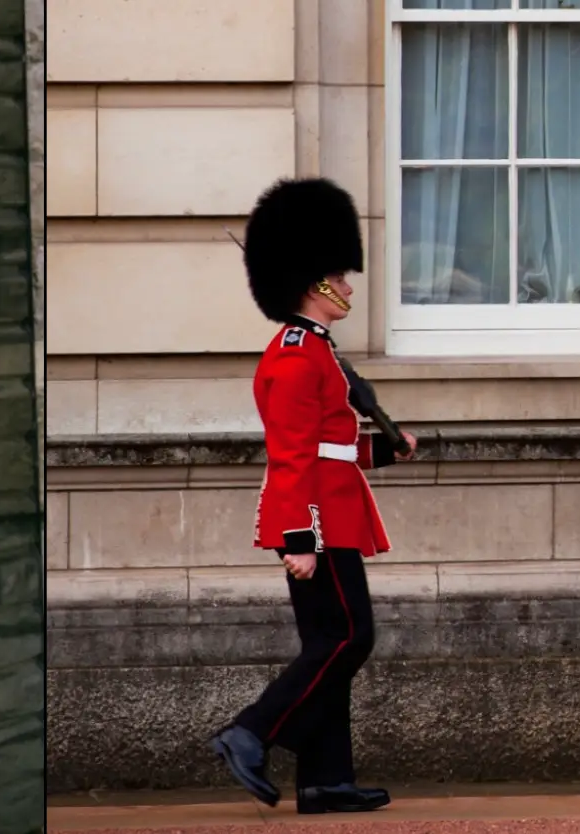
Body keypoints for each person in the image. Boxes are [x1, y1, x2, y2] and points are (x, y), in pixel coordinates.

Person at [210, 178, 415, 814]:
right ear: (313, 282)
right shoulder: (298, 356)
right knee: (349, 638)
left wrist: (388, 449)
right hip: (317, 524)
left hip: (332, 513)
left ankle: (327, 780)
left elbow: (332, 447)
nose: (348, 287)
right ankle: (252, 731)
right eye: (339, 277)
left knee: (330, 645)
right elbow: (291, 455)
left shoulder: (317, 351)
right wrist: (298, 540)